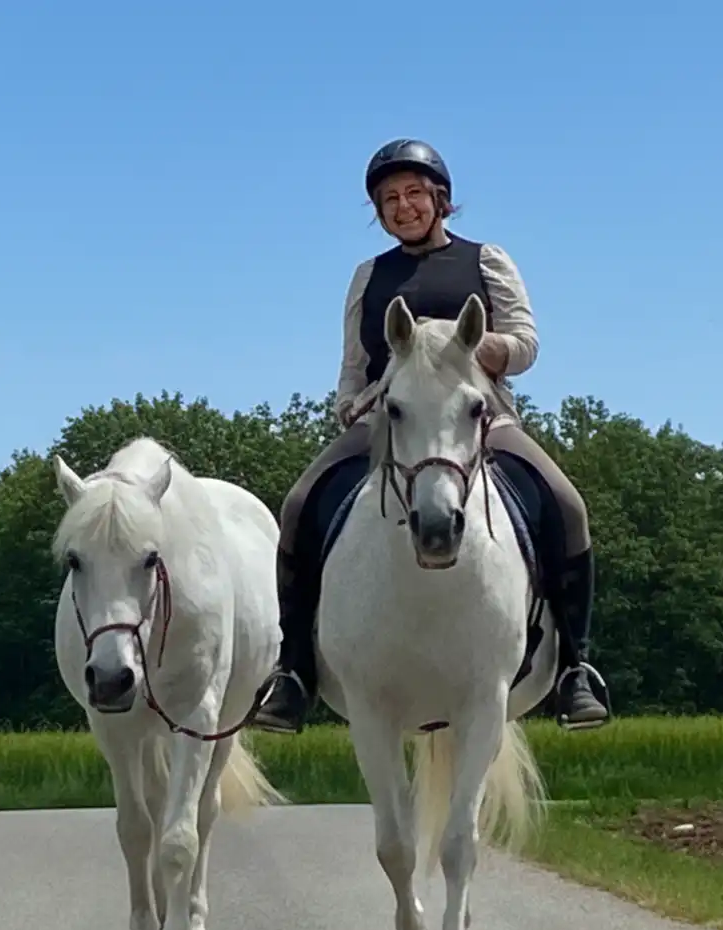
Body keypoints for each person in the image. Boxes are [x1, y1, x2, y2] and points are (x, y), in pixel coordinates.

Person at [251, 138, 609, 734]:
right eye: (389, 199)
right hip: (388, 418)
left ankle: (575, 666)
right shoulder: (369, 276)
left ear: (440, 200)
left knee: (567, 505)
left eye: (414, 193)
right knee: (296, 505)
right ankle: (292, 672)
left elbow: (524, 342)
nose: (403, 206)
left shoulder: (485, 260)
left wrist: (480, 345)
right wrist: (349, 402)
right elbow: (354, 361)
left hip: (479, 417)